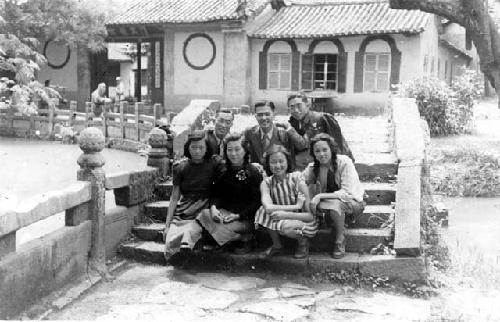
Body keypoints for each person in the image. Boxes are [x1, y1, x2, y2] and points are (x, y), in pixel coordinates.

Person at [187, 132, 263, 253]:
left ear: (245, 150)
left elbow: (257, 202)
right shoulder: (224, 170)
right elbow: (216, 193)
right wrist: (213, 208)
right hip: (226, 214)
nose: (233, 154)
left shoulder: (253, 173)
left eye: (237, 149)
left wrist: (238, 216)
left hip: (246, 218)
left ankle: (245, 238)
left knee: (214, 227)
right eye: (230, 150)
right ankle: (235, 239)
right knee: (204, 215)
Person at [303, 133, 365, 259]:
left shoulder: (344, 162)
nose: (321, 154)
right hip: (328, 204)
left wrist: (319, 196)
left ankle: (339, 239)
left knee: (336, 205)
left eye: (325, 149)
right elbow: (299, 179)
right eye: (317, 151)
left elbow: (346, 192)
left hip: (351, 202)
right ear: (313, 154)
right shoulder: (314, 167)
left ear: (332, 149)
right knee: (306, 199)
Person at [164, 130, 222, 258]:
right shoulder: (180, 167)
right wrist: (167, 225)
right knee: (170, 242)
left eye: (201, 147)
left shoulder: (213, 164)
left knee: (190, 233)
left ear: (207, 148)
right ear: (188, 148)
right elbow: (174, 198)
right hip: (184, 210)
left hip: (204, 208)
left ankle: (189, 245)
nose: (197, 151)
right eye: (193, 147)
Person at [254, 145, 317, 259]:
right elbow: (267, 207)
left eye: (281, 161)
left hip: (303, 222)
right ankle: (277, 245)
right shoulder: (267, 183)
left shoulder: (297, 179)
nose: (278, 166)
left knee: (286, 227)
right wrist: (296, 205)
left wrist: (286, 214)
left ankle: (303, 242)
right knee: (263, 211)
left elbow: (310, 216)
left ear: (288, 161)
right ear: (268, 164)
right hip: (281, 218)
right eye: (273, 162)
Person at [287, 92, 354, 170]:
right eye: (292, 107)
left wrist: (340, 166)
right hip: (316, 158)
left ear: (307, 105)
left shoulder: (322, 118)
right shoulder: (294, 123)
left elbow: (338, 144)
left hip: (335, 161)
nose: (296, 110)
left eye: (299, 106)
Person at [244, 100, 306, 168]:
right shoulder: (250, 133)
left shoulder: (285, 133)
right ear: (255, 116)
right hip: (259, 175)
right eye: (260, 115)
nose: (264, 118)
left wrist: (289, 129)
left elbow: (302, 146)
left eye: (267, 114)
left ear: (274, 115)